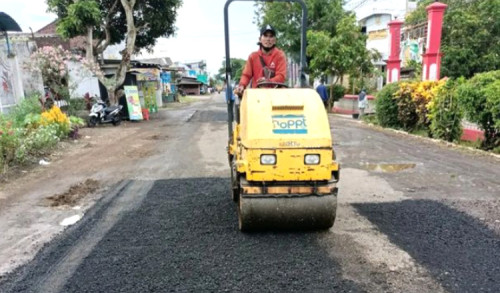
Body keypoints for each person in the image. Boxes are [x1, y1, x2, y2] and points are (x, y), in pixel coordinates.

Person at [234, 25, 287, 96]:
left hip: (275, 96)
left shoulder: (280, 55)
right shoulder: (253, 56)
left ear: (275, 40)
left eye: (271, 36)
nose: (268, 39)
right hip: (256, 97)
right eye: (265, 36)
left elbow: (281, 76)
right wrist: (242, 85)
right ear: (260, 39)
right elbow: (246, 75)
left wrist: (268, 81)